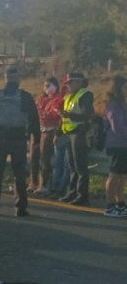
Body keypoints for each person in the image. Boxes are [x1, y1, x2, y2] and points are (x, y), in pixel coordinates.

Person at [0, 66, 40, 217]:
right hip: (19, 139)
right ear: (17, 79)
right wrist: (36, 138)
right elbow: (34, 118)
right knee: (19, 174)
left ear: (5, 78)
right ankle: (20, 207)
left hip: (0, 140)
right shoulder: (25, 96)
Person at [59, 71, 94, 206]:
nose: (68, 86)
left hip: (80, 133)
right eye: (67, 83)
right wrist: (59, 132)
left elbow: (87, 115)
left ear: (78, 82)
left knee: (80, 166)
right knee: (72, 165)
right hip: (69, 133)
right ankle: (72, 191)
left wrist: (70, 115)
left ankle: (82, 195)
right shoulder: (68, 97)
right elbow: (63, 117)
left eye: (70, 83)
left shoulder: (85, 95)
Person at [28, 76, 63, 195]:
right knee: (33, 156)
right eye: (45, 86)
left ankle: (43, 184)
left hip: (49, 130)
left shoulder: (58, 99)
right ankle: (33, 182)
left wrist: (43, 114)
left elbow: (53, 115)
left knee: (44, 158)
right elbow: (35, 112)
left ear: (55, 86)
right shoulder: (41, 99)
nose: (46, 88)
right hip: (38, 129)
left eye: (49, 85)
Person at [103, 75, 127, 217]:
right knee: (114, 175)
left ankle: (120, 203)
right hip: (116, 144)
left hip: (123, 145)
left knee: (121, 176)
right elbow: (117, 127)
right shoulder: (113, 104)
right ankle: (110, 205)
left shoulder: (122, 103)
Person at [52, 76, 72, 198]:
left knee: (62, 164)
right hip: (65, 133)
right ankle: (58, 189)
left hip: (66, 134)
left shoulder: (66, 99)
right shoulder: (67, 99)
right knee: (62, 164)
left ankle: (58, 188)